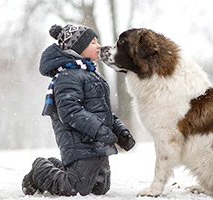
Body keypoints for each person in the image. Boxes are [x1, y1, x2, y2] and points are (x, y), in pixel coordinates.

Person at [22, 24, 135, 196]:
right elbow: (70, 111)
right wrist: (100, 131)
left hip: (98, 143)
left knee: (100, 187)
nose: (98, 46)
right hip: (78, 142)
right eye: (92, 43)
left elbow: (103, 111)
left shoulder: (93, 76)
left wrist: (120, 132)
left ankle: (60, 167)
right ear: (77, 49)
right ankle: (39, 169)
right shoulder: (67, 76)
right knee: (75, 188)